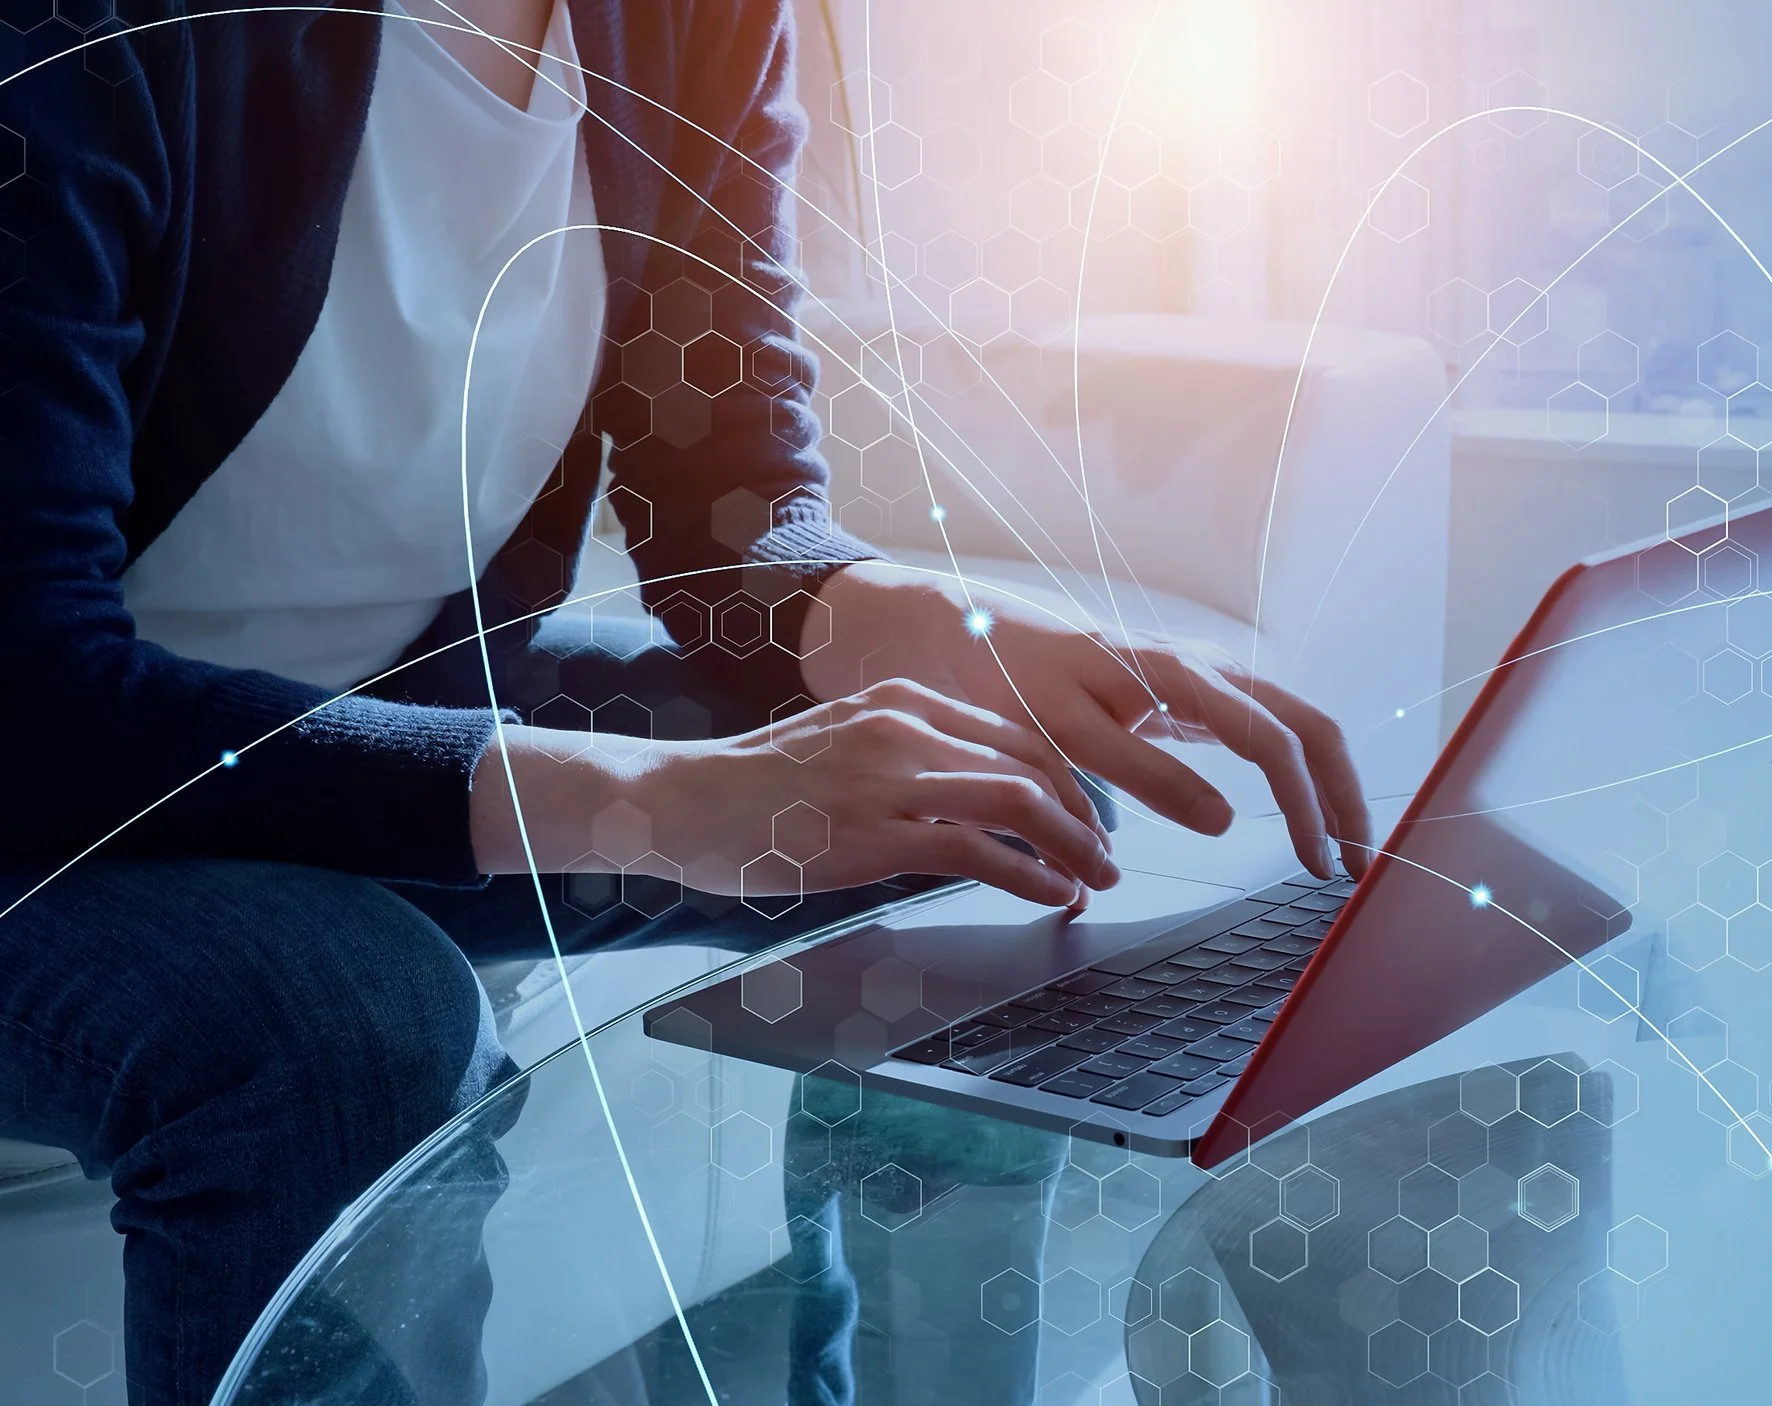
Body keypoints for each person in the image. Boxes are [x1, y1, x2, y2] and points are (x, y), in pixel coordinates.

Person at [0, 0, 1370, 1402]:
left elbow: (724, 494)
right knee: (347, 1028)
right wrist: (642, 802)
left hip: (402, 709)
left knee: (992, 812)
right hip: (48, 813)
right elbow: (31, 686)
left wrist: (910, 620)